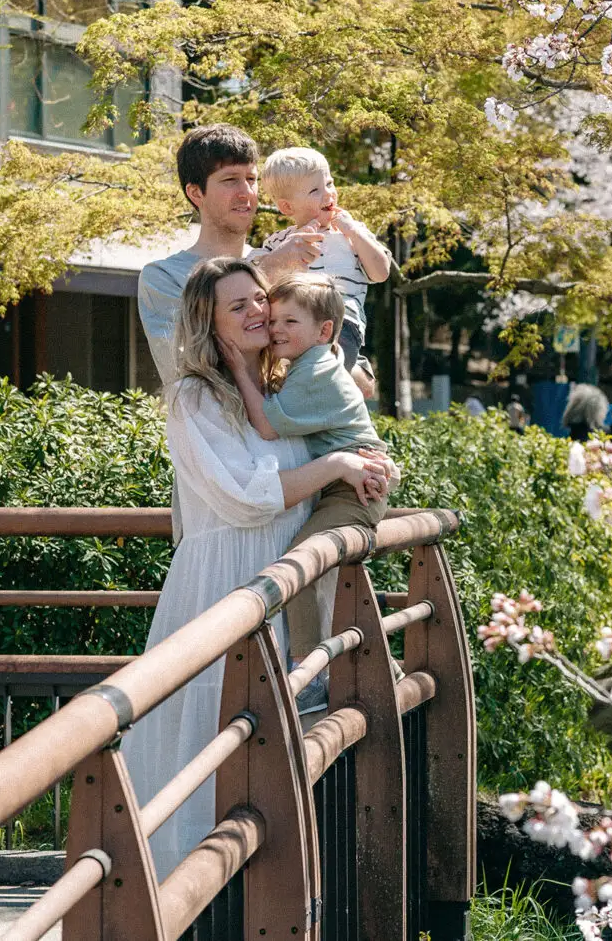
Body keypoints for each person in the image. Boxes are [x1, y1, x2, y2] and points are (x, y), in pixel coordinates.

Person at [122, 257, 396, 877]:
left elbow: (341, 440)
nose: (257, 312)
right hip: (227, 575)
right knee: (213, 729)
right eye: (238, 306)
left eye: (259, 300)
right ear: (210, 323)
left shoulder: (286, 384)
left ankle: (275, 885)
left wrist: (363, 466)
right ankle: (185, 883)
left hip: (289, 568)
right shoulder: (195, 397)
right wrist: (336, 468)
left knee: (280, 738)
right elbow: (245, 494)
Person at [232, 273, 388, 711]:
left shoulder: (317, 370)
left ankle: (309, 673)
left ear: (324, 331)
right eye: (274, 320)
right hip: (346, 480)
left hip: (355, 485)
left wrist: (239, 367)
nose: (276, 329)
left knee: (302, 565)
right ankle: (381, 667)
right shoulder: (312, 363)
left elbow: (265, 423)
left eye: (290, 322)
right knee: (326, 575)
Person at [138, 125, 322, 385]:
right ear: (195, 193)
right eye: (230, 180)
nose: (246, 192)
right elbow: (187, 370)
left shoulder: (285, 262)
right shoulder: (164, 277)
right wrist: (265, 272)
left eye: (251, 179)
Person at [255, 147, 392, 373]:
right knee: (286, 374)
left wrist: (354, 233)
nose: (329, 194)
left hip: (341, 322)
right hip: (291, 326)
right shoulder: (279, 243)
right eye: (315, 190)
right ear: (287, 207)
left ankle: (329, 380)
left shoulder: (351, 235)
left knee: (328, 368)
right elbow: (263, 281)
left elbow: (380, 273)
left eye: (329, 183)